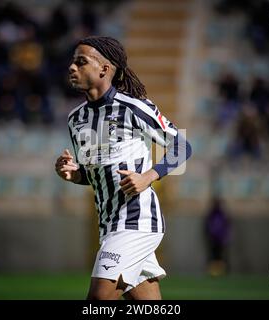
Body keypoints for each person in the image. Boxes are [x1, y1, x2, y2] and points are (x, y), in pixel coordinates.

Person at [54, 36, 192, 300]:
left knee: (98, 301)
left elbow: (182, 146)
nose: (72, 67)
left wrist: (147, 178)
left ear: (104, 69)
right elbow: (96, 173)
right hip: (108, 224)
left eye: (81, 62)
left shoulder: (134, 108)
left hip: (135, 221)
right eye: (72, 62)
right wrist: (74, 174)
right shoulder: (76, 119)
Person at [204, 197, 231, 276]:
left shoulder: (222, 214)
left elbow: (226, 226)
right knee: (213, 257)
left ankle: (222, 272)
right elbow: (207, 227)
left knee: (220, 257)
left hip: (220, 239)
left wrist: (226, 237)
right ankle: (213, 272)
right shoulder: (211, 214)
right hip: (213, 239)